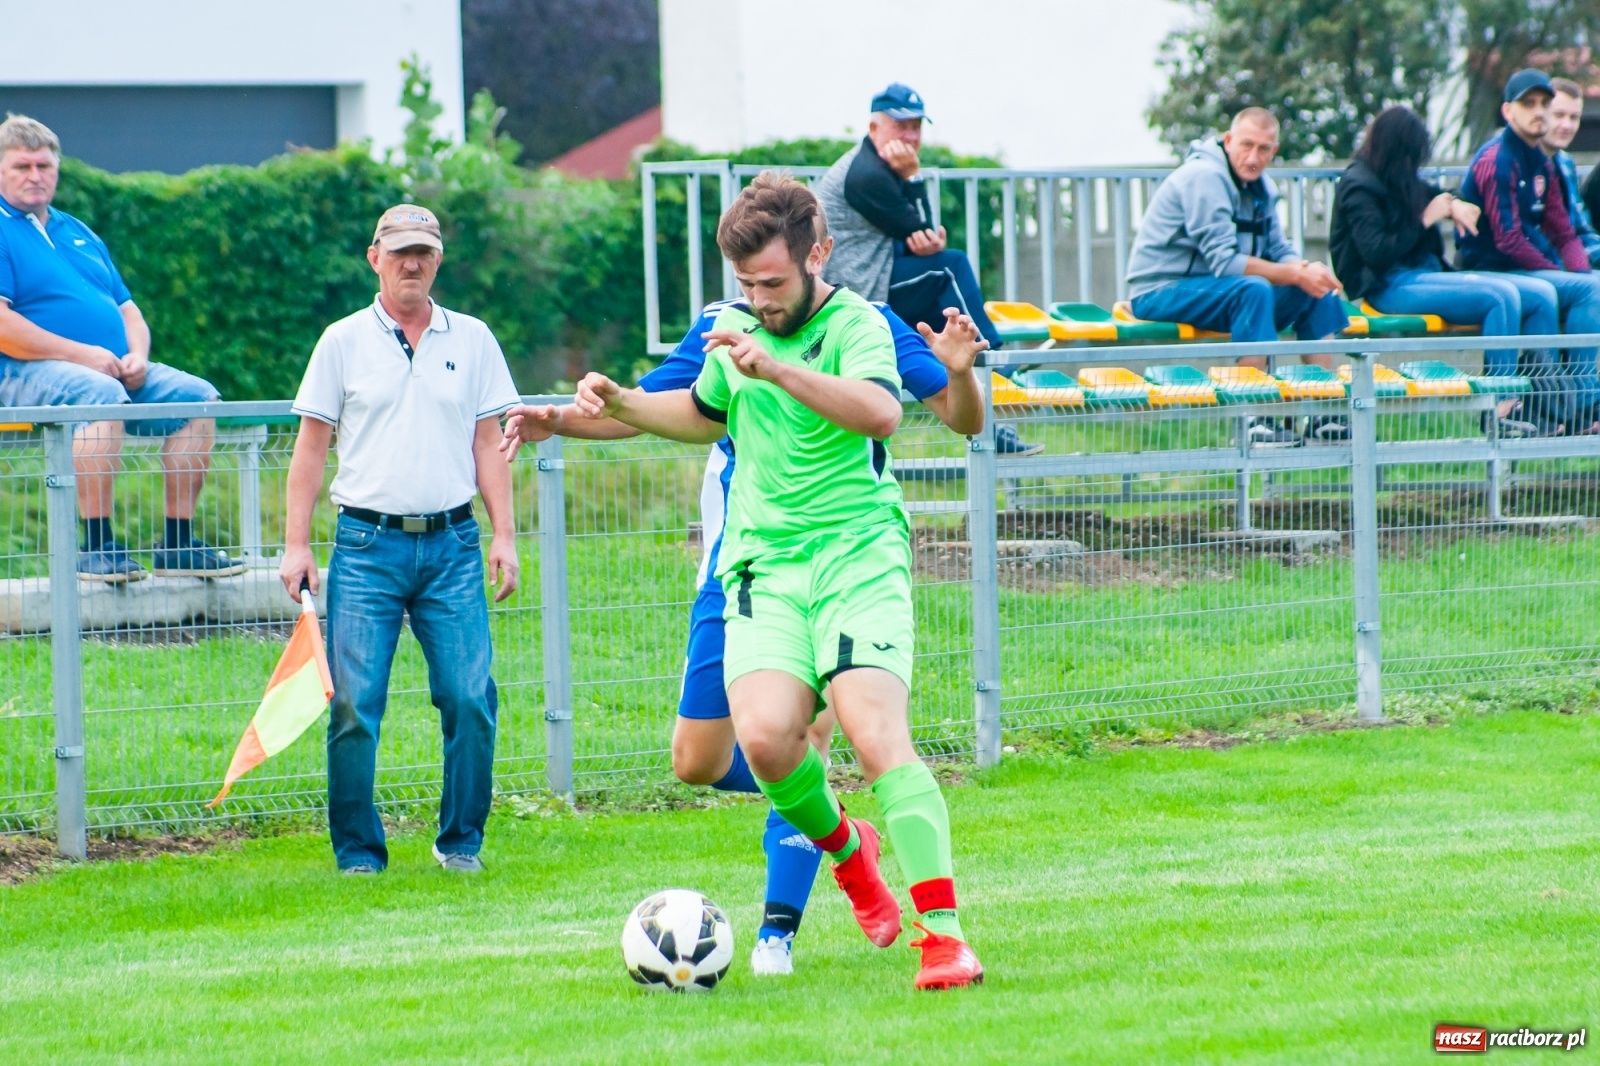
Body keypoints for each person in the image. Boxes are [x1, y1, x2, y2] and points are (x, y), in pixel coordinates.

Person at [566, 173, 983, 990]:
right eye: (746, 285)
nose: (758, 301)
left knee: (871, 735)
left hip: (855, 554)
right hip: (763, 563)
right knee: (761, 741)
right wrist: (619, 403)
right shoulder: (732, 329)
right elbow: (699, 411)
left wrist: (782, 369)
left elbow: (880, 412)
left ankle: (943, 936)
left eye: (772, 283)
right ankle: (849, 852)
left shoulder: (857, 321)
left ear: (818, 254)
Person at [279, 204, 521, 875]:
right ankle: (359, 853)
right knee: (355, 703)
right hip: (365, 548)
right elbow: (310, 448)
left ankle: (460, 844)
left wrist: (504, 534)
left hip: (453, 547)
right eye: (399, 252)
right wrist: (296, 545)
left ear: (439, 259)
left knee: (471, 697)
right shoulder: (342, 341)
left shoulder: (472, 339)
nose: (412, 263)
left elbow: (488, 442)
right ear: (374, 258)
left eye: (424, 252)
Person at [0, 114, 240, 582]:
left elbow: (128, 310)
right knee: (99, 395)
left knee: (199, 397)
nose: (35, 175)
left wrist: (138, 356)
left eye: (44, 165)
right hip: (23, 371)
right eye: (21, 166)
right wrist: (84, 355)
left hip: (108, 366)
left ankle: (177, 543)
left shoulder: (78, 231)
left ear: (57, 169)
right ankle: (96, 546)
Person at [813, 82, 1039, 456]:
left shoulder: (877, 164)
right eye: (900, 125)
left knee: (943, 279)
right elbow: (925, 232)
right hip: (863, 293)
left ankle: (992, 421)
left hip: (875, 277)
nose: (911, 135)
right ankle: (992, 361)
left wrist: (923, 227)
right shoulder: (867, 174)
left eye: (916, 126)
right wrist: (913, 178)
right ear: (873, 129)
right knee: (949, 269)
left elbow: (924, 237)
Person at [1126, 107, 1350, 445]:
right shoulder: (1204, 176)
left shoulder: (1263, 187)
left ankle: (1323, 410)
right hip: (1159, 290)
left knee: (1316, 289)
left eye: (1263, 149)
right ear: (1228, 141)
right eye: (1246, 145)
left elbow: (1278, 248)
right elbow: (1225, 263)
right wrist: (1294, 273)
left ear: (1274, 151)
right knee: (1254, 289)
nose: (1253, 156)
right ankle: (1254, 416)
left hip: (1218, 291)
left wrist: (1306, 271)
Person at [1330, 105, 1548, 437]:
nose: (1416, 166)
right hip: (1389, 284)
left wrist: (1456, 203)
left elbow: (1441, 194)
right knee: (1499, 297)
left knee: (1538, 295)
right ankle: (1500, 410)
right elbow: (1375, 252)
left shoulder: (1403, 178)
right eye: (1412, 158)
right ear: (1396, 151)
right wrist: (1425, 220)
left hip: (1428, 274)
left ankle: (1549, 406)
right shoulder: (1358, 184)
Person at [1458, 68, 1600, 435]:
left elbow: (1564, 232)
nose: (1540, 112)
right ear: (1508, 111)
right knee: (1560, 290)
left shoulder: (1541, 161)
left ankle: (1566, 407)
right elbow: (1507, 240)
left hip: (1524, 270)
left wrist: (1578, 272)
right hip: (1487, 269)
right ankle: (1571, 404)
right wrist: (1559, 273)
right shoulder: (1498, 159)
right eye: (1529, 104)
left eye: (1544, 104)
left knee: (1590, 287)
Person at [1544, 78, 1600, 268]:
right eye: (1558, 115)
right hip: (1544, 263)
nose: (1567, 125)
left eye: (1574, 117)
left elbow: (1581, 228)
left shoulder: (1566, 163)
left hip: (1572, 259)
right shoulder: (1519, 163)